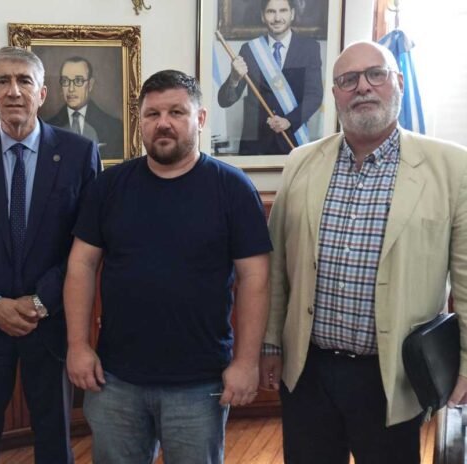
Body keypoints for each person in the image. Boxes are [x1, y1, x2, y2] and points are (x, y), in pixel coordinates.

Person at [262, 40, 467, 464]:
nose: (363, 87)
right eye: (348, 79)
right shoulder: (300, 163)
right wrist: (270, 345)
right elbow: (277, 268)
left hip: (394, 376)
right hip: (308, 372)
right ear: (335, 93)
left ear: (399, 82)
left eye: (376, 74)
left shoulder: (453, 168)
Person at [65, 69, 272, 463]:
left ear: (200, 118)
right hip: (116, 378)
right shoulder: (108, 187)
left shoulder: (233, 189)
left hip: (200, 382)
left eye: (177, 112)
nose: (163, 123)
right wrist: (78, 346)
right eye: (152, 114)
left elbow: (255, 278)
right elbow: (81, 266)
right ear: (140, 121)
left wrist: (247, 362)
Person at [0, 46, 101, 464]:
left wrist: (41, 301)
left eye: (24, 80)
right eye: (2, 81)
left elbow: (86, 242)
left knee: (54, 438)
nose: (13, 91)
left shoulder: (79, 152)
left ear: (42, 93)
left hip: (49, 321)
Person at [218, 0, 323, 155]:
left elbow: (314, 95)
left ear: (292, 14)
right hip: (256, 146)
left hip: (292, 141)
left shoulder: (309, 48)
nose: (277, 18)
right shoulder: (249, 50)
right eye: (271, 11)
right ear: (262, 16)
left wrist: (289, 121)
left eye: (283, 11)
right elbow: (224, 101)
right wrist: (234, 79)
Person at [47, 56, 124, 158]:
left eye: (78, 81)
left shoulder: (113, 127)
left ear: (90, 85)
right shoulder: (48, 127)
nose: (71, 89)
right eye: (65, 81)